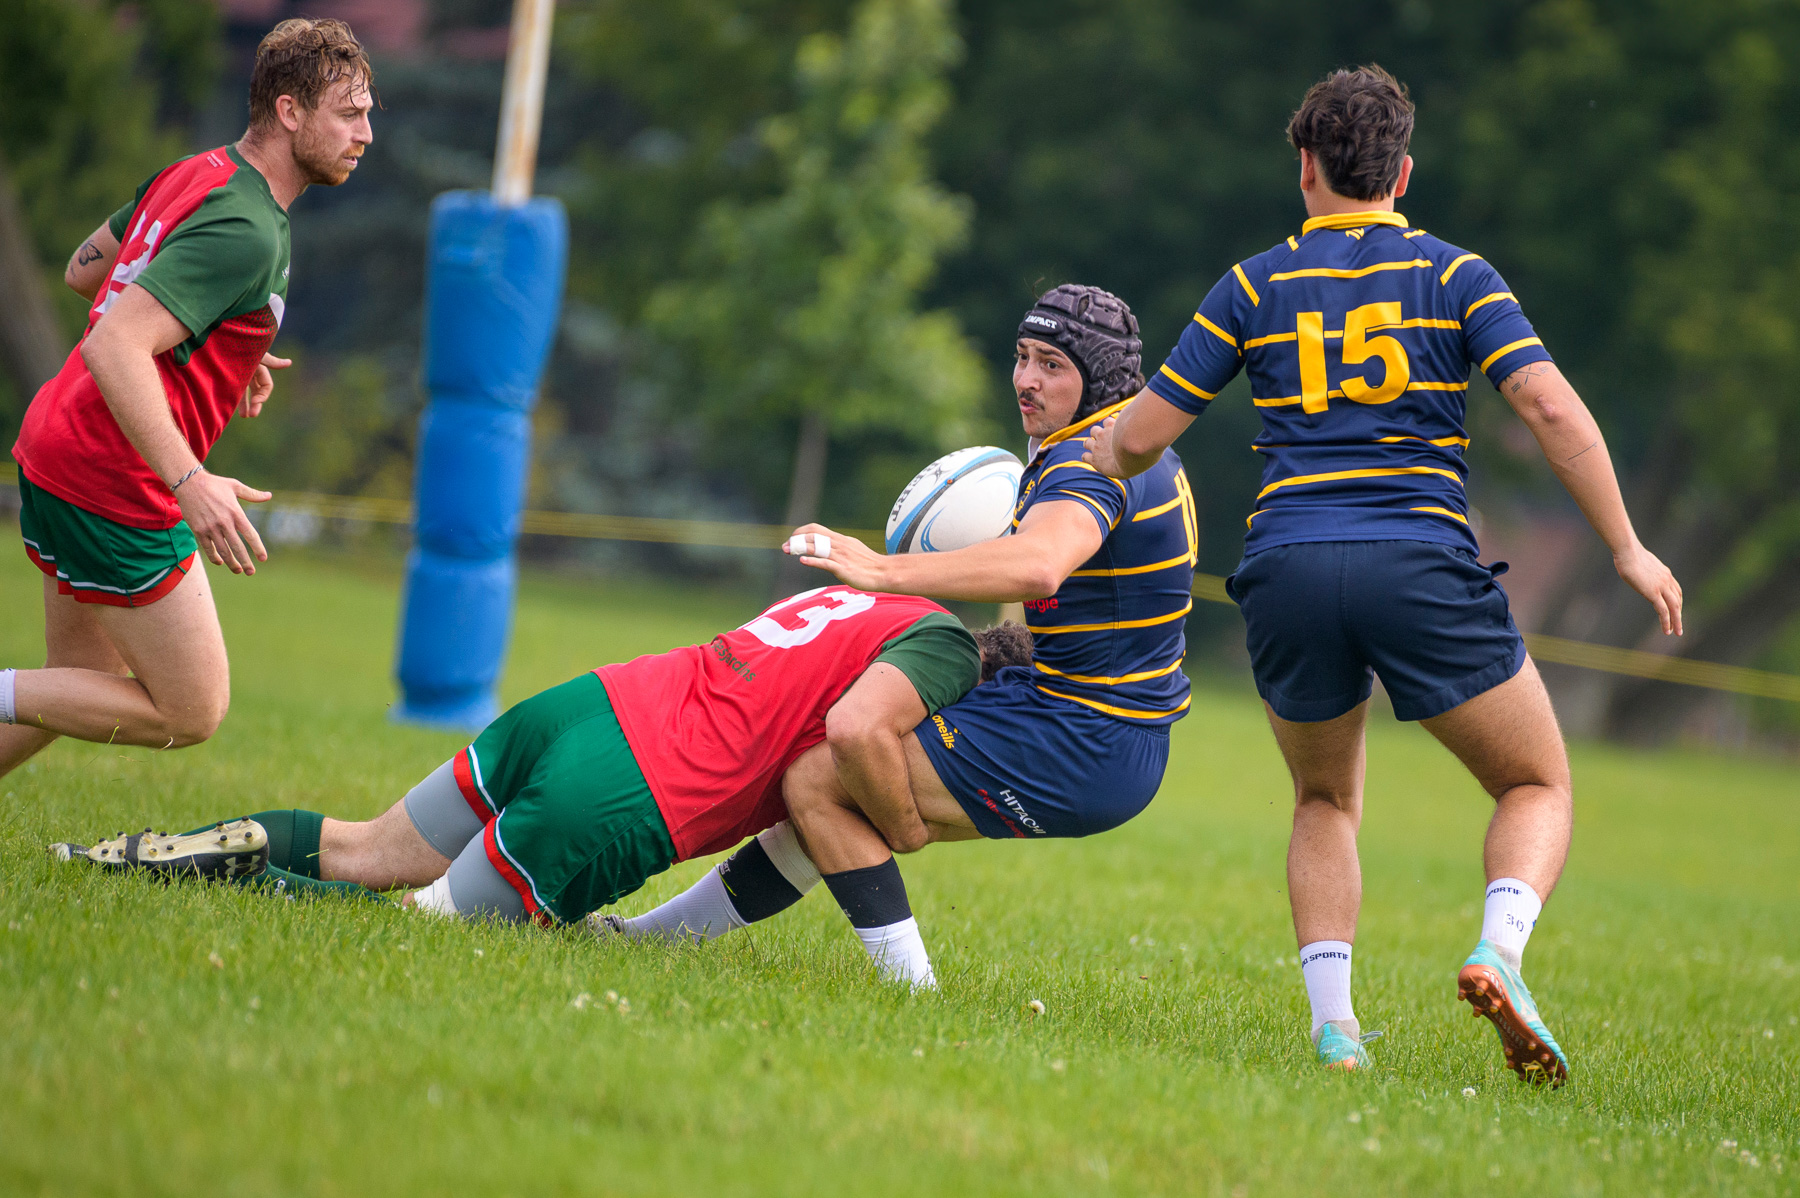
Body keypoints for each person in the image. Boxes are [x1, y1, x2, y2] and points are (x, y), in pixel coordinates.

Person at [1082, 66, 1683, 1085]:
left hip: (1286, 566)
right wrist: (1626, 545)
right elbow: (1547, 408)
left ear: (1306, 167)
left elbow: (1141, 437)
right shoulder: (1459, 278)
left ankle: (1337, 1030)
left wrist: (1095, 466)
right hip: (1417, 558)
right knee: (1536, 781)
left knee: (1324, 799)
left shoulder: (1252, 285)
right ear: (1401, 173)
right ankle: (1499, 951)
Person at [607, 284, 1199, 953]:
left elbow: (1040, 565)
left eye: (1052, 366)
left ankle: (909, 997)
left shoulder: (1089, 462)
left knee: (821, 778)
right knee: (841, 789)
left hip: (1084, 737)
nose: (1026, 381)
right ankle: (656, 940)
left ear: (1098, 381)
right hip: (1101, 725)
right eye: (1023, 356)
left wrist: (882, 571)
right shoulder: (1137, 442)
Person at [53, 586, 1031, 988]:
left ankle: (155, 852)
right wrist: (905, 820)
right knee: (418, 927)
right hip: (630, 791)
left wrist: (649, 941)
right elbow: (861, 736)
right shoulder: (938, 648)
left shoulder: (876, 600)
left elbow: (794, 843)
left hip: (587, 705)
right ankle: (226, 874)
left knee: (363, 851)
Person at [0, 19, 374, 777]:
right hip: (114, 479)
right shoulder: (249, 228)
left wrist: (222, 336)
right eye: (349, 112)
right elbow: (114, 342)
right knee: (190, 708)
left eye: (368, 113)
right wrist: (189, 479)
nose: (365, 133)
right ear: (290, 112)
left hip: (56, 444)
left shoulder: (198, 170)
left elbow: (86, 274)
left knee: (77, 686)